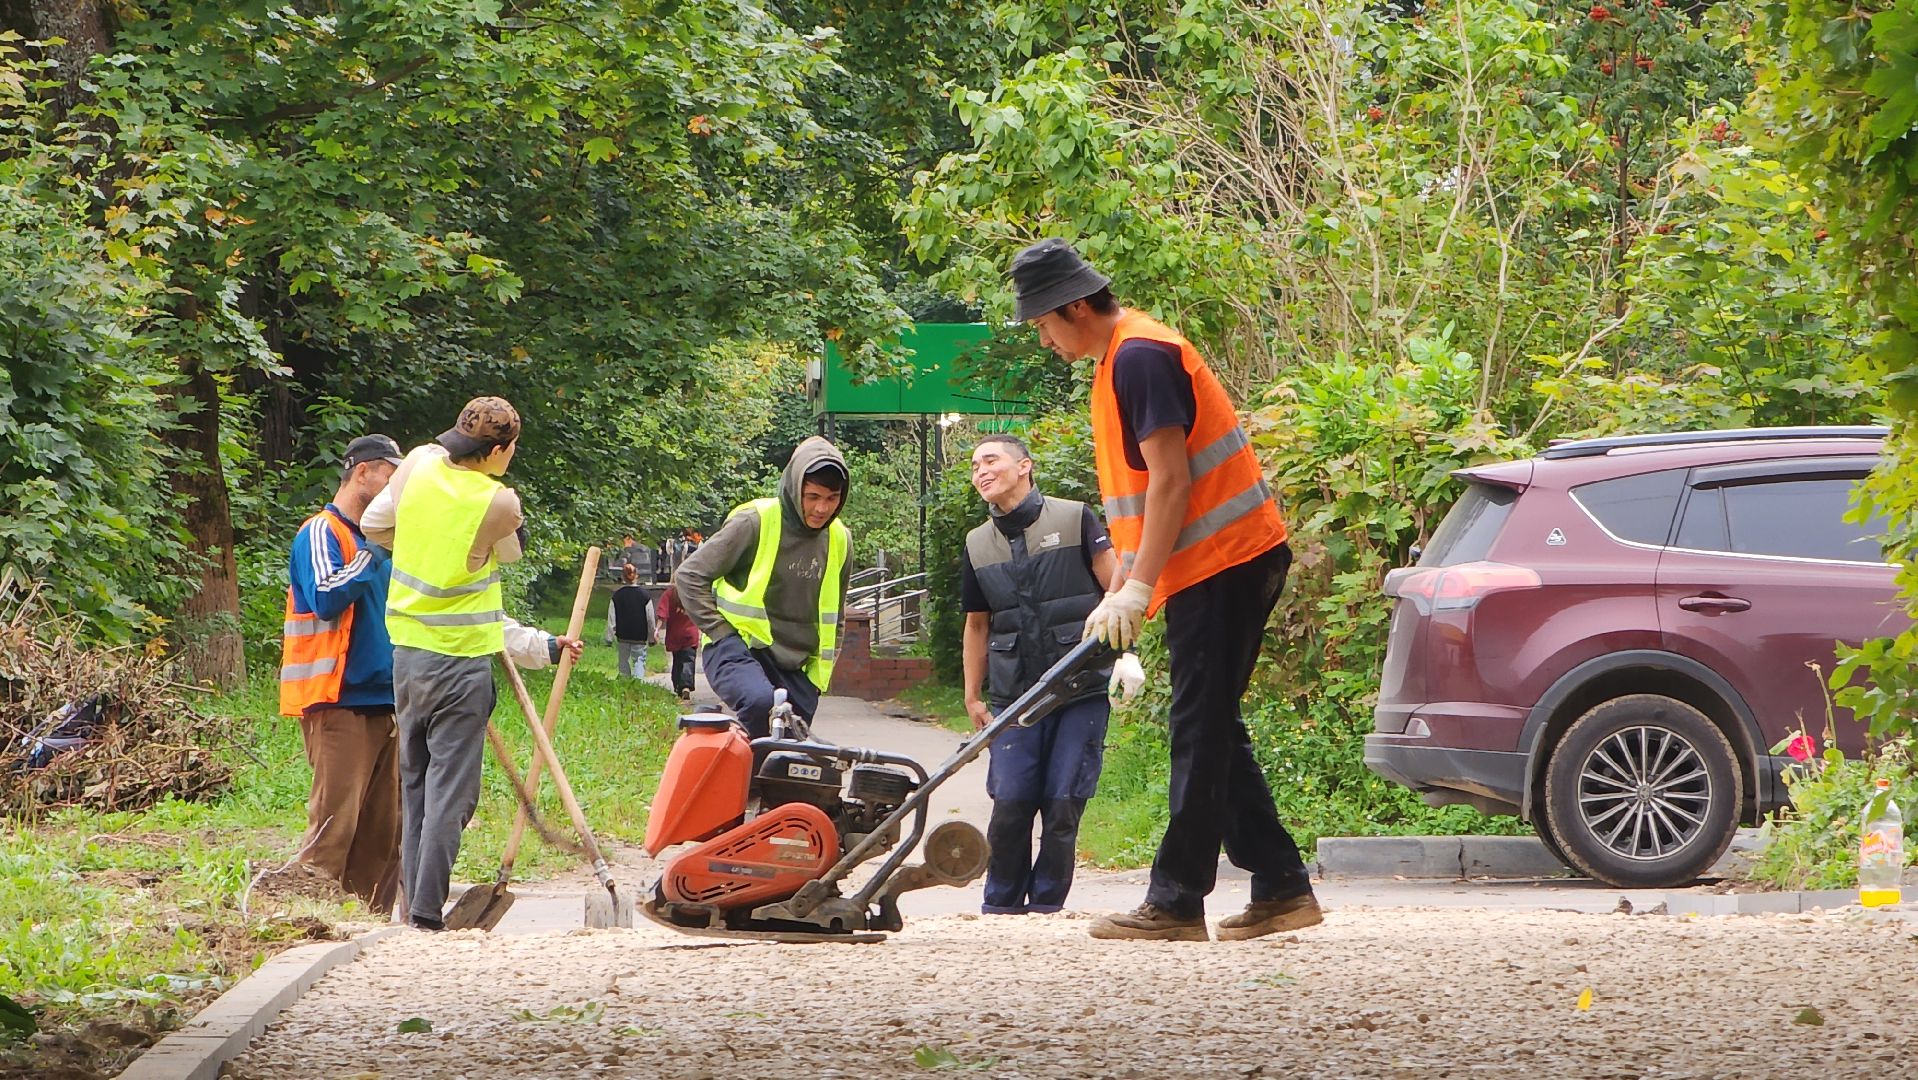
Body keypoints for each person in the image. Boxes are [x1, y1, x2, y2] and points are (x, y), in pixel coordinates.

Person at [1009, 238, 1320, 943]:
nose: (1045, 339)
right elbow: (1142, 498)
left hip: (1227, 561)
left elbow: (1176, 481)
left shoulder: (1141, 356)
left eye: (1044, 325)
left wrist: (1138, 584)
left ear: (1077, 307)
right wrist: (1119, 590)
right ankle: (1280, 886)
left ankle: (1177, 900)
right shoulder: (1119, 359)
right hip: (1215, 564)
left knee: (1198, 729)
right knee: (1212, 728)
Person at [361, 396, 582, 931]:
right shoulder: (499, 502)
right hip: (460, 667)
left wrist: (413, 537)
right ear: (501, 449)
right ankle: (425, 911)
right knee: (450, 793)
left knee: (414, 783)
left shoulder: (416, 464)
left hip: (408, 657)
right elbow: (509, 554)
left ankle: (411, 906)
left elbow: (373, 524)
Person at [960, 434, 1135, 915]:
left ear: (1025, 466)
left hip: (1079, 688)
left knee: (1063, 801)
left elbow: (1116, 585)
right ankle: (1000, 907)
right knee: (1012, 801)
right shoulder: (978, 544)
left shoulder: (1075, 518)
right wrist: (973, 696)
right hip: (1013, 698)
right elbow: (977, 625)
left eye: (990, 460)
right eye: (975, 465)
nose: (981, 471)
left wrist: (1126, 653)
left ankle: (1048, 909)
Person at [277, 434, 407, 913]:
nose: (396, 491)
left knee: (382, 833)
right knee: (336, 825)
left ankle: (366, 930)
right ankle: (306, 921)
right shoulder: (321, 532)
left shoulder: (379, 547)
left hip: (386, 701)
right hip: (338, 701)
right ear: (362, 472)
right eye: (390, 477)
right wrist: (372, 550)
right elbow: (327, 595)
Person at [673, 437, 851, 738]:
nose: (822, 508)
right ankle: (733, 777)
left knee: (787, 760)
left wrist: (815, 683)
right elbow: (690, 576)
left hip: (797, 667)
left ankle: (752, 784)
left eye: (832, 498)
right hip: (738, 648)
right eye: (813, 496)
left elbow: (838, 615)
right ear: (795, 489)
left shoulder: (840, 539)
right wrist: (721, 634)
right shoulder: (755, 522)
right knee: (761, 705)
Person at [605, 564, 654, 679]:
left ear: (623, 577)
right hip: (639, 635)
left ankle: (625, 682)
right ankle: (638, 683)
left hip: (623, 635)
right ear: (636, 576)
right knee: (639, 660)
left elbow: (612, 619)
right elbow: (650, 619)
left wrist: (609, 638)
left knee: (623, 660)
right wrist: (652, 637)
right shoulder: (644, 596)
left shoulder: (617, 596)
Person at [656, 582, 700, 702]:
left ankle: (677, 686)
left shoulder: (669, 594)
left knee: (677, 662)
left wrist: (657, 629)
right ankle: (685, 686)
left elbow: (662, 613)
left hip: (675, 635)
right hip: (690, 634)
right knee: (688, 661)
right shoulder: (692, 593)